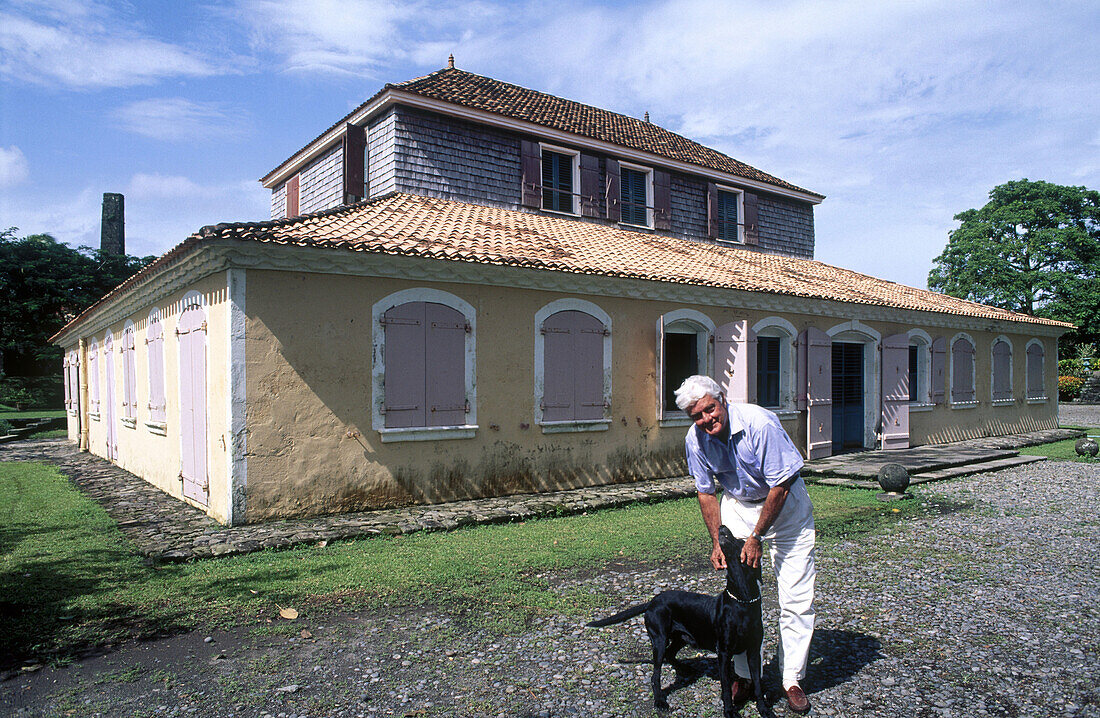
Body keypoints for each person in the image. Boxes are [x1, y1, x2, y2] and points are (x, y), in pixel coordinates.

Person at [674, 375, 816, 714]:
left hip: (784, 506)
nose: (706, 419)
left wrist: (756, 538)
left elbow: (780, 486)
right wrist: (716, 541)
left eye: (709, 409)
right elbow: (706, 492)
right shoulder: (695, 441)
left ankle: (791, 678)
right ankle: (743, 675)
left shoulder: (759, 423)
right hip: (739, 505)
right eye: (697, 415)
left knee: (795, 595)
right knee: (737, 596)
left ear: (722, 398)